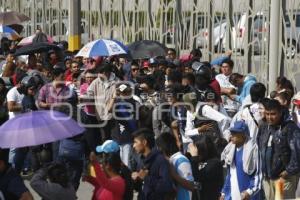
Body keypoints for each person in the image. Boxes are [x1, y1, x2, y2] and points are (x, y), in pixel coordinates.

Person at [257, 99, 300, 199]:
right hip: (268, 177)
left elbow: (297, 152)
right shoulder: (264, 126)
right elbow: (259, 145)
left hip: (283, 178)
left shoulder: (290, 128)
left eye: (273, 114)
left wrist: (288, 171)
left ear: (280, 112)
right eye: (267, 114)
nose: (269, 117)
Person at [221, 121, 262, 200]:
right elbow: (229, 175)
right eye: (231, 132)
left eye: (235, 133)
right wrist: (224, 193)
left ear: (243, 135)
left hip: (247, 196)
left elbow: (258, 174)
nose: (231, 135)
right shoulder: (230, 151)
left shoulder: (253, 150)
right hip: (233, 195)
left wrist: (249, 191)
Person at [131, 128, 174, 200]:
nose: (133, 146)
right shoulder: (141, 161)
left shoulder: (161, 160)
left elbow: (167, 186)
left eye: (135, 142)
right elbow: (140, 187)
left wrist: (146, 178)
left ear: (144, 142)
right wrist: (135, 180)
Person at [86, 62, 118, 142]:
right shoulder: (96, 82)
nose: (98, 74)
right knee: (104, 138)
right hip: (100, 115)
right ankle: (105, 153)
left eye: (100, 72)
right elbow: (89, 92)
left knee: (114, 137)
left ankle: (113, 154)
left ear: (106, 72)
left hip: (113, 116)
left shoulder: (116, 81)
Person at [156, 132, 194, 200]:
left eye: (159, 146)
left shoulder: (181, 160)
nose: (158, 149)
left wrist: (174, 174)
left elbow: (191, 186)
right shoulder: (170, 160)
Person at [187, 135, 223, 200]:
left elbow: (198, 177)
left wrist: (194, 158)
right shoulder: (198, 161)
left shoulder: (215, 163)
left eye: (196, 148)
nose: (194, 151)